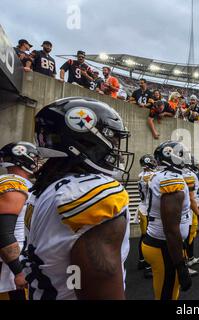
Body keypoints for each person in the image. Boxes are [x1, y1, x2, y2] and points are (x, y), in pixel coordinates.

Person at [23, 97, 134, 300]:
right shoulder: (90, 192)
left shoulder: (46, 187)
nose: (116, 150)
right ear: (87, 140)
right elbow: (102, 284)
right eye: (113, 140)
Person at [141, 141, 192, 300]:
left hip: (161, 242)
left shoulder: (160, 176)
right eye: (182, 155)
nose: (185, 158)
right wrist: (180, 265)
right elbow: (170, 229)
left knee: (168, 292)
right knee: (167, 295)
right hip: (164, 246)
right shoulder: (172, 180)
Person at [0, 142, 38, 300]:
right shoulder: (15, 184)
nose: (38, 162)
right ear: (23, 158)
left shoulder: (11, 182)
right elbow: (3, 232)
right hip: (9, 267)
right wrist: (19, 271)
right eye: (35, 157)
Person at [136, 154, 158, 279]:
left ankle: (141, 260)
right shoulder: (151, 176)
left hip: (142, 207)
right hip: (148, 210)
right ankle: (148, 267)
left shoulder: (141, 175)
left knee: (143, 236)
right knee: (149, 238)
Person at [182, 156, 199, 276]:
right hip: (188, 209)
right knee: (185, 237)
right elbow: (191, 197)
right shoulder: (188, 174)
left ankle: (189, 258)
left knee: (189, 236)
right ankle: (185, 263)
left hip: (188, 208)